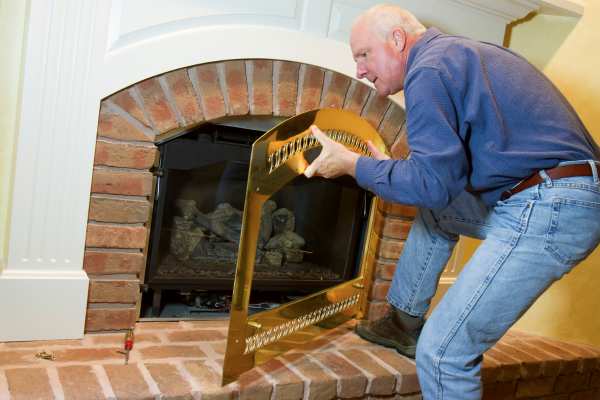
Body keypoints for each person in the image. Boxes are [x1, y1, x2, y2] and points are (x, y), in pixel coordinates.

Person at [303, 4, 600, 400]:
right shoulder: (459, 55)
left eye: (363, 54)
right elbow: (443, 186)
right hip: (564, 195)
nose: (359, 69)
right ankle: (404, 322)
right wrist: (383, 169)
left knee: (443, 353)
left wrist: (353, 165)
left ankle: (416, 333)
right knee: (441, 213)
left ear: (397, 40)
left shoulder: (427, 70)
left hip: (552, 206)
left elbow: (430, 184)